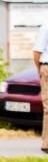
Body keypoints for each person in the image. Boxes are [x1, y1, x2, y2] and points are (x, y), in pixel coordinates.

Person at [33, 22, 48, 153]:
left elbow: (36, 53)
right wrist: (40, 69)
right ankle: (46, 143)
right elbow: (37, 53)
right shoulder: (45, 27)